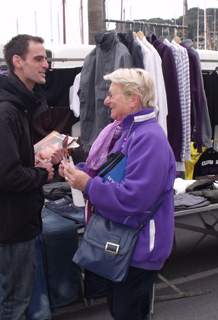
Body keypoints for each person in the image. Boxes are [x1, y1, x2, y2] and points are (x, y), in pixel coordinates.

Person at [60, 68, 176, 320]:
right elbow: (110, 175)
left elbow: (134, 197)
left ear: (134, 99)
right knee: (121, 309)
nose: (106, 100)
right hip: (125, 244)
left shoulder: (148, 138)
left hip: (139, 247)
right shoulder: (128, 132)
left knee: (127, 312)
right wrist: (76, 172)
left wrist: (88, 185)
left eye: (112, 94)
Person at [0, 34, 59, 320]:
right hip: (11, 221)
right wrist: (40, 174)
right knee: (15, 301)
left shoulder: (16, 105)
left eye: (46, 58)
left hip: (17, 217)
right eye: (38, 58)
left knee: (18, 296)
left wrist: (37, 159)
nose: (45, 64)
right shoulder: (4, 111)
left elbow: (7, 161)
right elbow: (6, 175)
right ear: (17, 62)